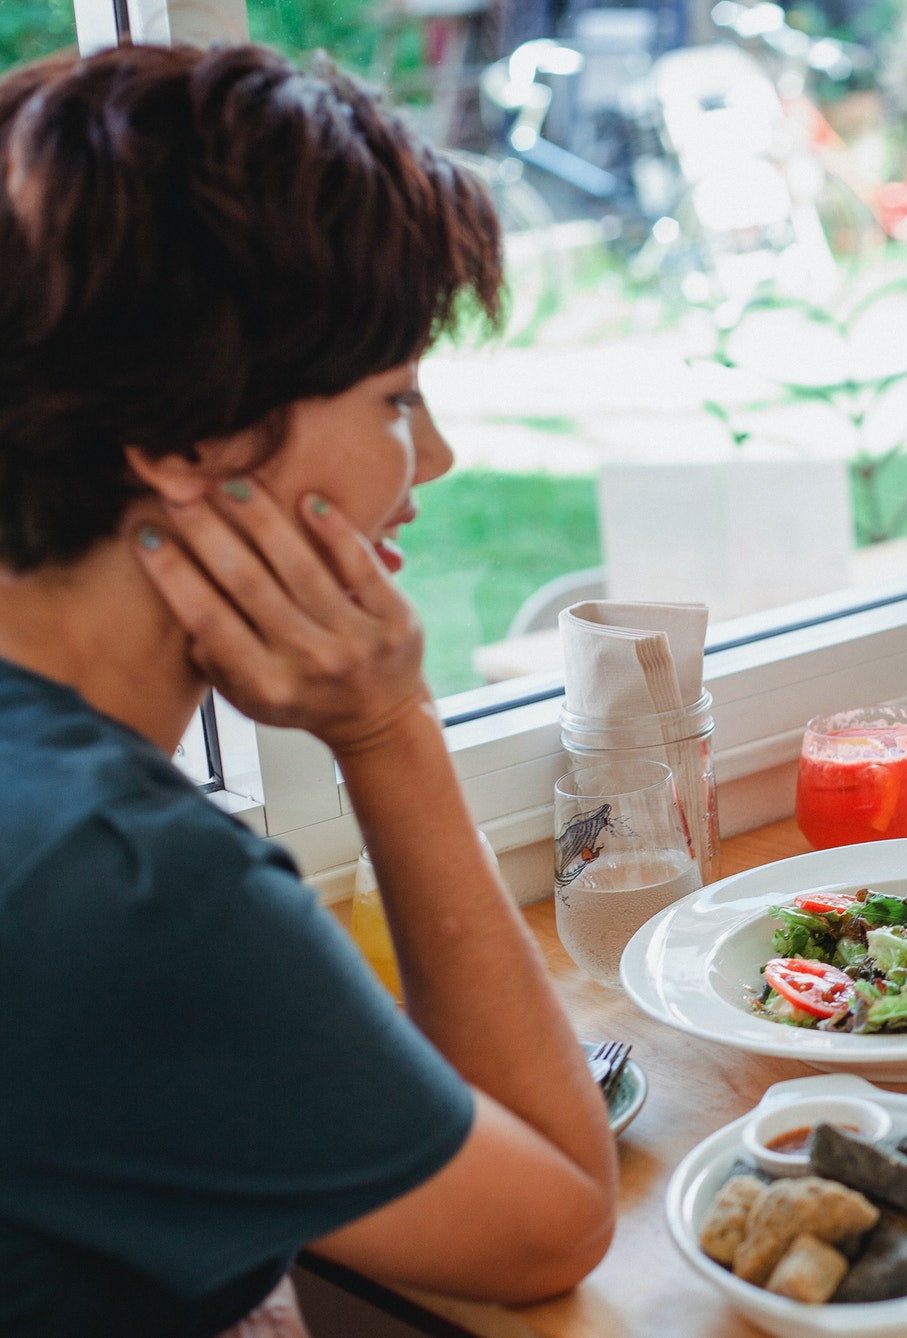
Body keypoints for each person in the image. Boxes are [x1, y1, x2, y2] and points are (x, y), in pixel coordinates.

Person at [0, 44, 618, 1335]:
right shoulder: (121, 884)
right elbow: (557, 1217)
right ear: (187, 445)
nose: (434, 458)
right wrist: (389, 729)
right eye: (397, 393)